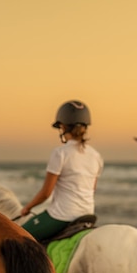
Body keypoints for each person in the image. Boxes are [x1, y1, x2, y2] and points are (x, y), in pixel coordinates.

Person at [20, 100, 104, 241]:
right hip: (87, 216)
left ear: (64, 127)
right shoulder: (96, 156)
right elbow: (92, 189)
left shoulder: (60, 153)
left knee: (18, 237)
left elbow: (46, 193)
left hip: (61, 216)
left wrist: (27, 208)